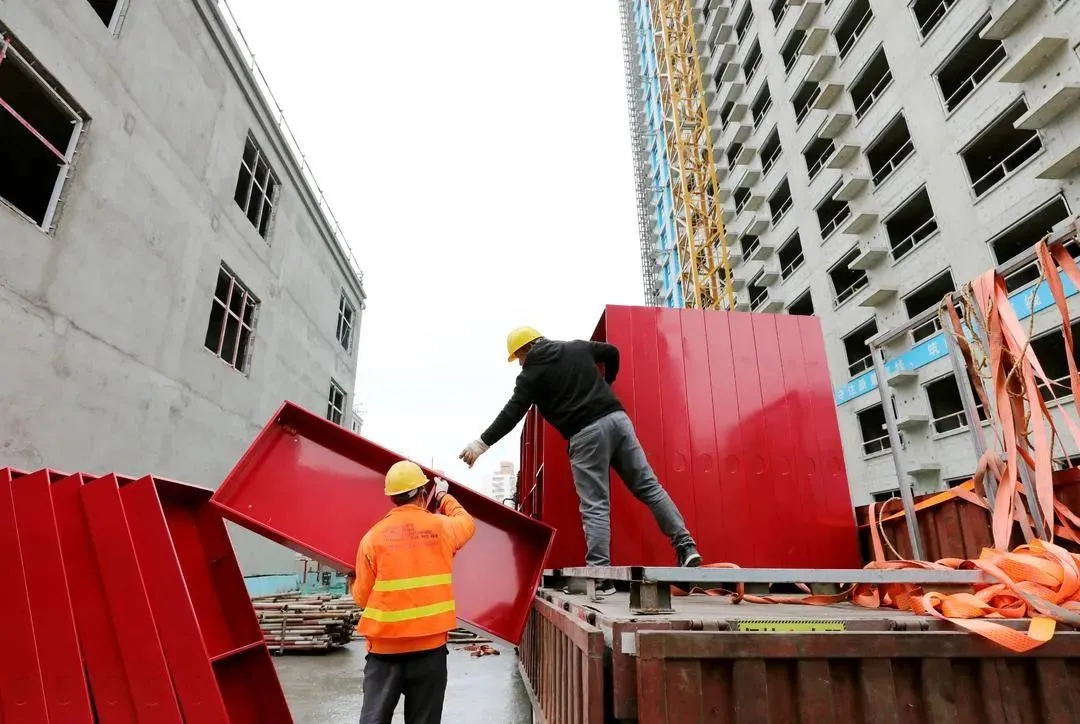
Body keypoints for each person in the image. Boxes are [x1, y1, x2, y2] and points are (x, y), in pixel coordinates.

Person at [459, 326, 700, 595]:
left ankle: (600, 576)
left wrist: (481, 444)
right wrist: (607, 383)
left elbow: (511, 414)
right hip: (618, 421)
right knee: (649, 488)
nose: (520, 365)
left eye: (518, 358)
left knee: (595, 505)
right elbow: (611, 352)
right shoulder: (576, 347)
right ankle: (685, 546)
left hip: (586, 435)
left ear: (525, 350)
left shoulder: (530, 376)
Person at [350, 460, 476, 724]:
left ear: (392, 498)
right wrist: (442, 495)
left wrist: (353, 578)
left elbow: (362, 598)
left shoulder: (372, 538)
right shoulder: (443, 528)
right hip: (429, 651)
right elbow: (466, 522)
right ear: (422, 493)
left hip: (384, 654)